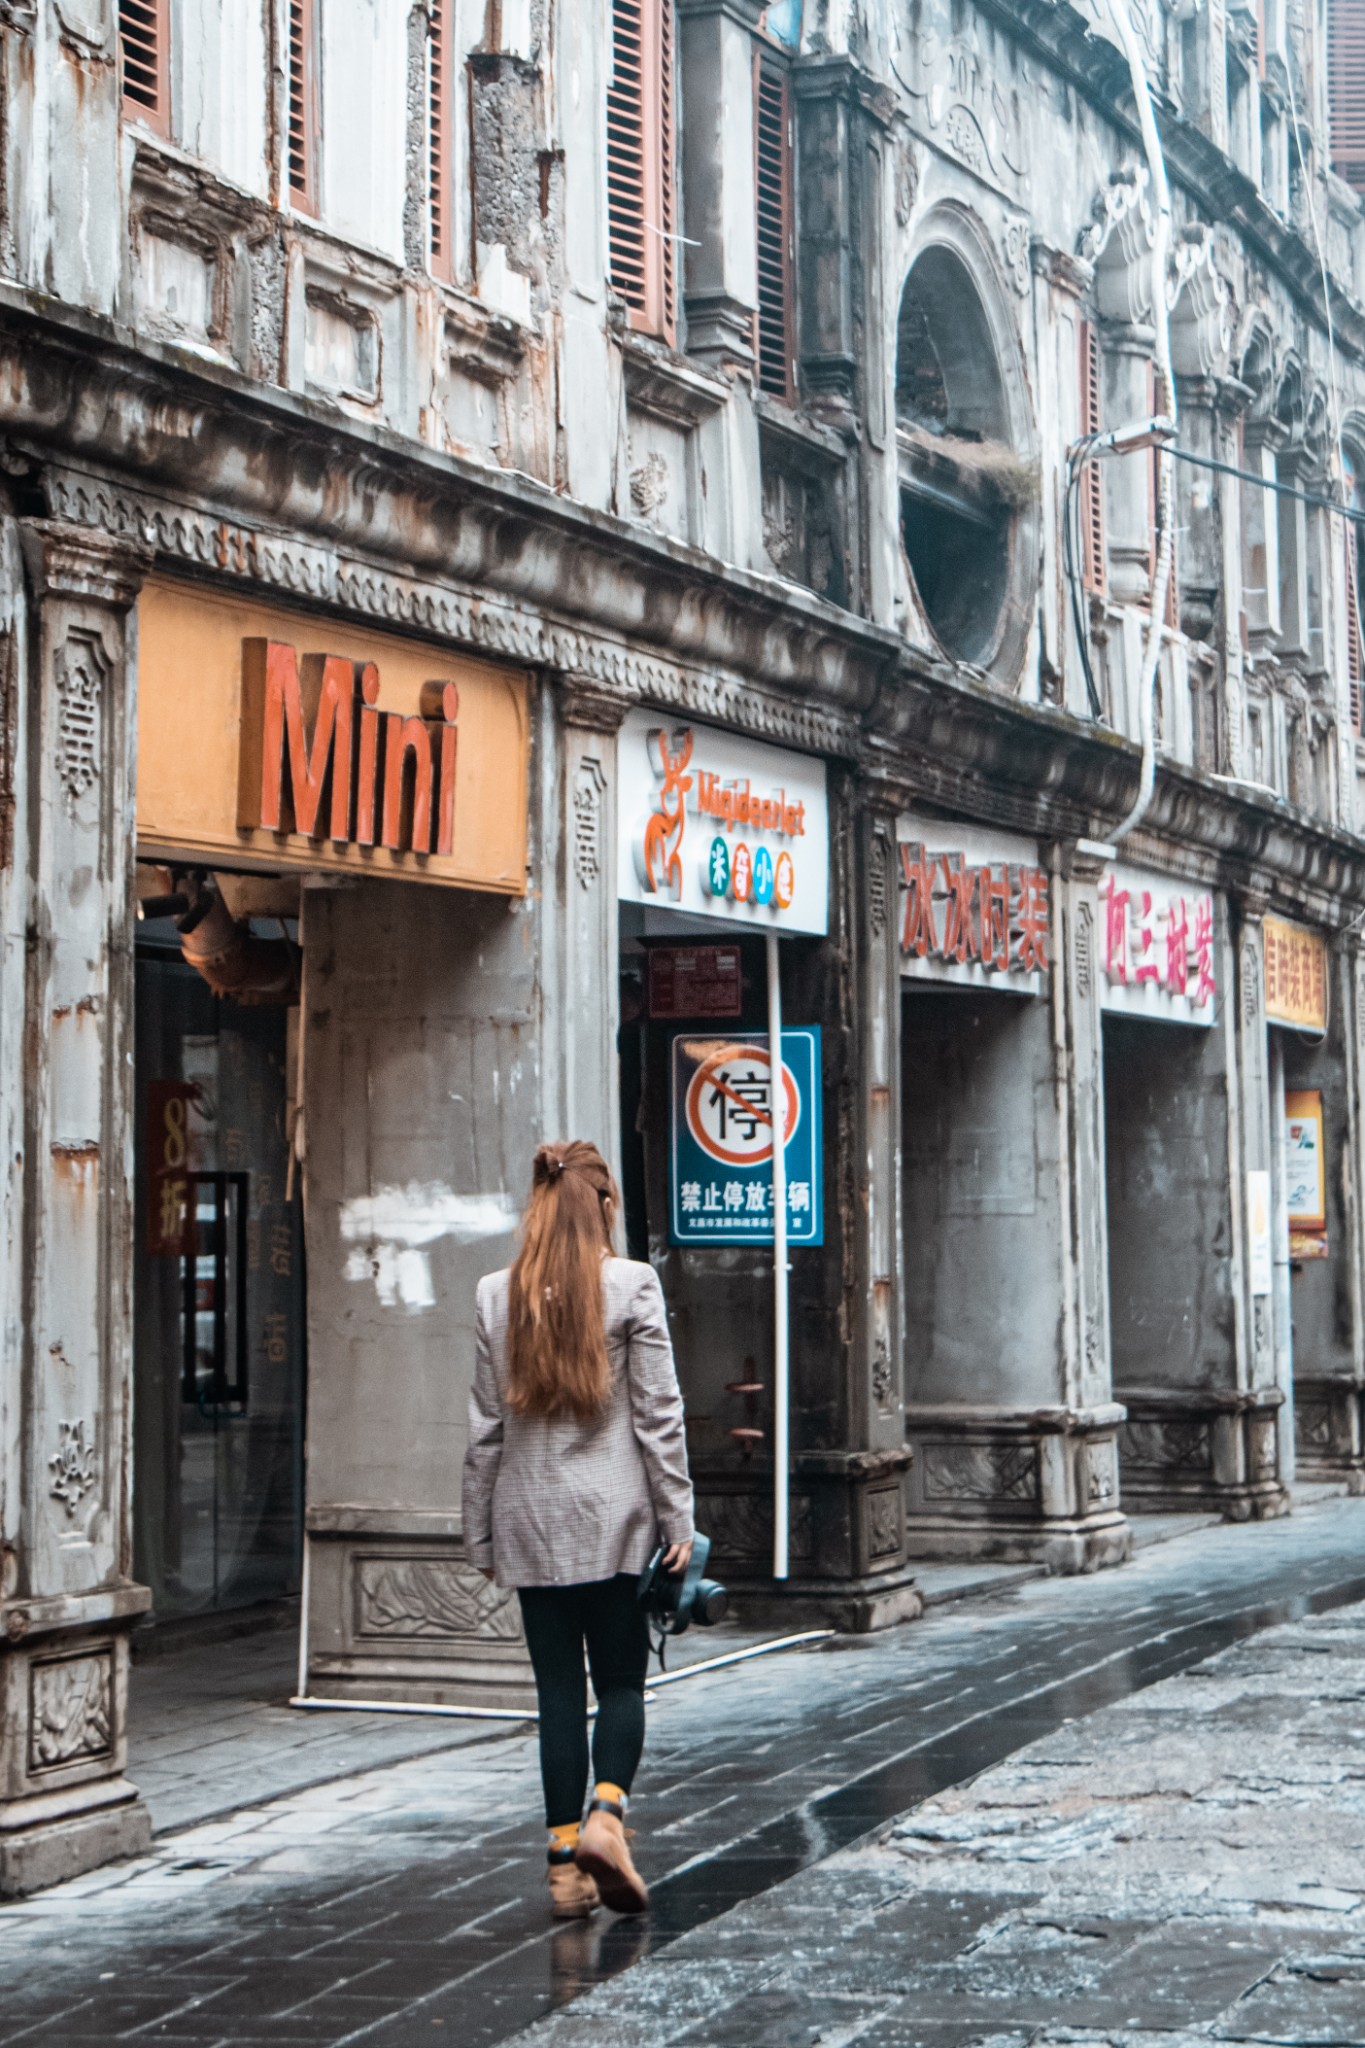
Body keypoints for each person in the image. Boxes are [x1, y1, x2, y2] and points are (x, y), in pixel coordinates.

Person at [462, 1140, 694, 1919]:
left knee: (557, 1693)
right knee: (620, 1683)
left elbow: (485, 1430)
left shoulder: (494, 1295)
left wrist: (479, 1535)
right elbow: (658, 1415)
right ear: (601, 1206)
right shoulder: (630, 1284)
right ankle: (606, 1817)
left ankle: (564, 1871)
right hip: (617, 1521)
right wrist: (678, 1518)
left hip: (528, 1520)